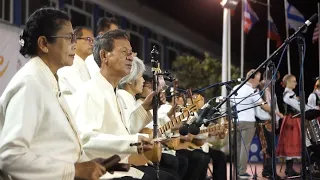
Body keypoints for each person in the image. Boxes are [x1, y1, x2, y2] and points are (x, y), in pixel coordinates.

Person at [0, 7, 105, 180]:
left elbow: (52, 144)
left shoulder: (48, 79)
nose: (75, 44)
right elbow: (11, 156)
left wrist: (86, 162)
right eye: (69, 38)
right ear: (43, 44)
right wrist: (74, 170)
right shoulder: (30, 83)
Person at [69, 29, 176, 180]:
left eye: (131, 53)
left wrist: (145, 108)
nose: (131, 57)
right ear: (104, 55)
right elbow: (86, 139)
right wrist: (134, 141)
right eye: (124, 52)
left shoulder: (115, 93)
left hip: (120, 168)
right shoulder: (90, 91)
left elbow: (123, 132)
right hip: (101, 171)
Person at [233, 69, 270, 179]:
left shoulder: (236, 88)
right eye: (258, 80)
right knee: (245, 147)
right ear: (252, 78)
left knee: (239, 146)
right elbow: (263, 105)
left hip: (237, 121)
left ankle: (237, 170)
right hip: (248, 121)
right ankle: (242, 171)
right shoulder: (252, 91)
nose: (258, 83)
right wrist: (271, 109)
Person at [256, 70, 284, 178]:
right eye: (274, 79)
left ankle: (268, 170)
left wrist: (276, 119)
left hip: (270, 120)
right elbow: (264, 106)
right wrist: (277, 113)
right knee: (268, 147)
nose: (275, 82)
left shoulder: (269, 89)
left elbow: (274, 105)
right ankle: (269, 170)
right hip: (264, 121)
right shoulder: (261, 88)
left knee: (270, 147)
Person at [276, 74, 301, 177]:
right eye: (294, 81)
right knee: (290, 141)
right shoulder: (288, 94)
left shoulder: (291, 93)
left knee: (292, 141)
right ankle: (289, 169)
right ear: (289, 82)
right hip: (291, 120)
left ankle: (289, 169)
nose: (295, 83)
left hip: (293, 119)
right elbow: (298, 107)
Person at [58, 26, 94, 95]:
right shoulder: (69, 65)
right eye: (89, 39)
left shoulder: (83, 64)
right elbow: (82, 93)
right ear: (75, 40)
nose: (92, 44)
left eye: (93, 40)